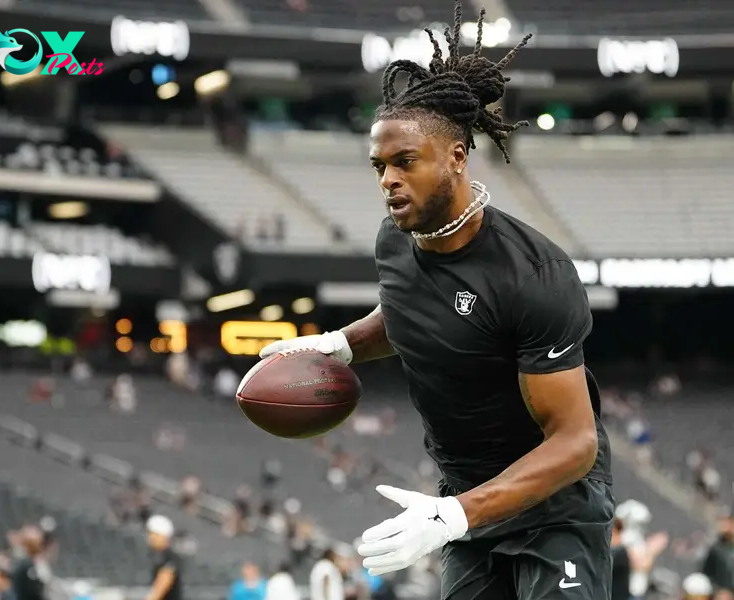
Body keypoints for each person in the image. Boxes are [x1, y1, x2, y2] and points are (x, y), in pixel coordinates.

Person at [259, 3, 614, 599]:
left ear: (456, 156)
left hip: (553, 507)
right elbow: (412, 311)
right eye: (379, 166)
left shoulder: (534, 274)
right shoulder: (393, 241)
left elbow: (576, 443)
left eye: (404, 162)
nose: (388, 180)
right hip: (462, 498)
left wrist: (455, 517)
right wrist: (342, 344)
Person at [145, 515, 182, 600]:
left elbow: (163, 583)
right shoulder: (162, 556)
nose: (150, 538)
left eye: (153, 534)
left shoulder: (168, 557)